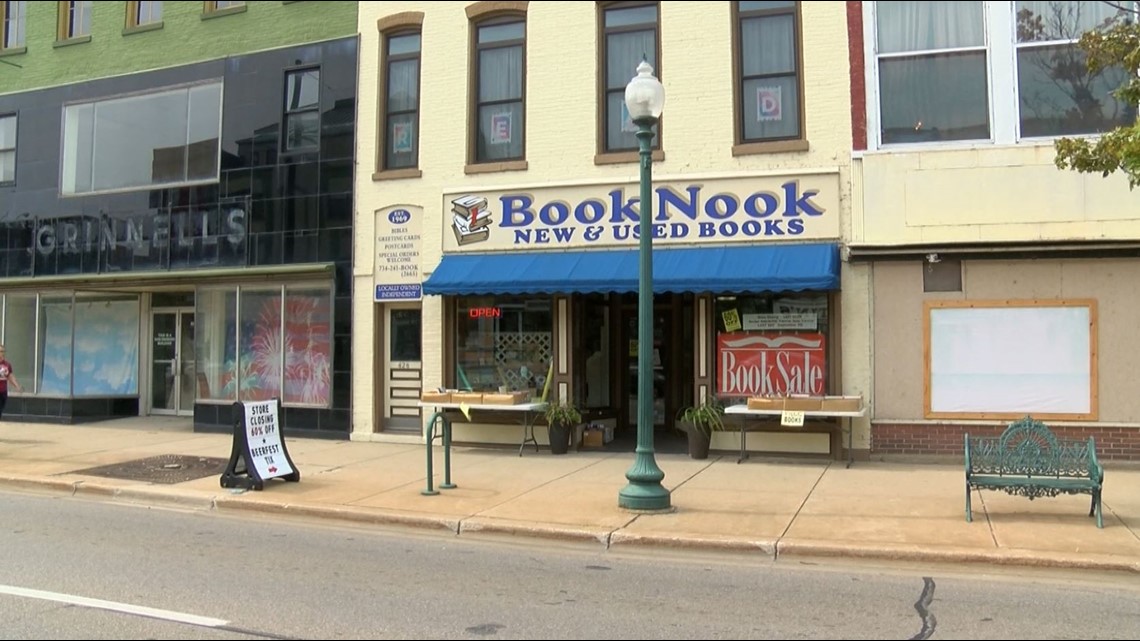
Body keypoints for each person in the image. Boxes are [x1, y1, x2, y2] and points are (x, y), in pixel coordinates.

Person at [0, 344, 24, 420]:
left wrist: (17, 386)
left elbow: (10, 376)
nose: (2, 353)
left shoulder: (7, 365)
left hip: (3, 392)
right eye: (0, 351)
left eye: (3, 351)